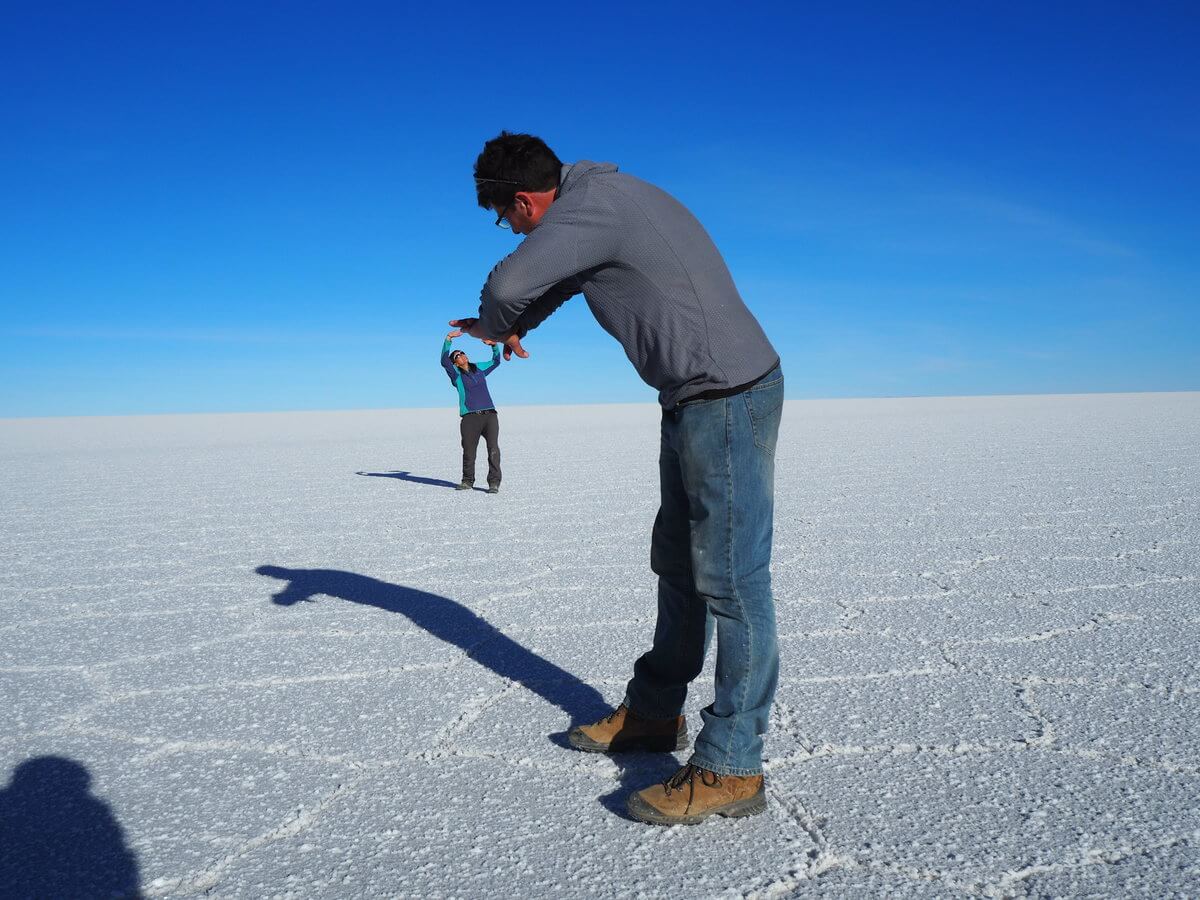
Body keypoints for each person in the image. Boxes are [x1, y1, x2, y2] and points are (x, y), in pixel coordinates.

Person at [451, 132, 783, 825]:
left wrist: (493, 318)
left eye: (505, 217)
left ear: (523, 202)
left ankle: (732, 767)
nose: (509, 228)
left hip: (724, 395)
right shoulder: (599, 203)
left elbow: (511, 282)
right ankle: (656, 715)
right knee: (679, 563)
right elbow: (562, 282)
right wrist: (513, 328)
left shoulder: (590, 206)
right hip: (695, 397)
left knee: (730, 576)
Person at [440, 330, 503, 493]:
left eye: (462, 353)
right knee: (469, 450)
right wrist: (448, 340)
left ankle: (493, 483)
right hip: (470, 418)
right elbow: (443, 362)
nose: (461, 355)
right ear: (455, 362)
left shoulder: (480, 368)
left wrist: (494, 346)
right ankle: (468, 481)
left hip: (489, 415)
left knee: (493, 449)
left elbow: (496, 361)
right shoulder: (456, 376)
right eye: (457, 356)